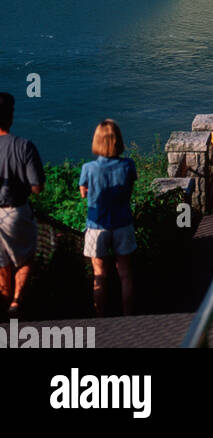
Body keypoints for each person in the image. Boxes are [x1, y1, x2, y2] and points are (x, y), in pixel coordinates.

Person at [78, 119, 137, 317]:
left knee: (99, 275)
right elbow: (129, 189)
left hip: (97, 224)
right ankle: (128, 316)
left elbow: (83, 194)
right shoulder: (128, 165)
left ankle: (101, 318)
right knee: (125, 274)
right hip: (122, 222)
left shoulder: (89, 168)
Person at [0, 91, 44, 318]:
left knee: (2, 266)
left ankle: (4, 306)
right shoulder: (24, 146)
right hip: (16, 211)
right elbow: (37, 187)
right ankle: (16, 303)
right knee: (26, 260)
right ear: (11, 116)